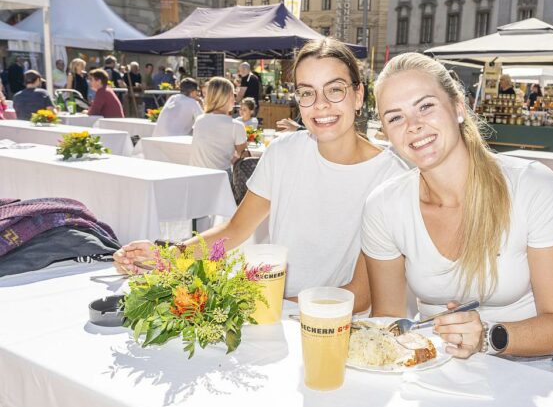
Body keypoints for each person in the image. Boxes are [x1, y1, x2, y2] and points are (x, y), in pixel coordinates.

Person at [113, 38, 408, 312]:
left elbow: (360, 294)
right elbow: (233, 231)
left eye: (335, 89)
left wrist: (258, 305)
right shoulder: (283, 152)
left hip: (335, 330)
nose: (320, 104)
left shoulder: (390, 178)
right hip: (274, 316)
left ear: (358, 96)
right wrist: (168, 259)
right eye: (307, 92)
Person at [363, 53, 553, 373]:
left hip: (527, 372)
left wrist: (489, 337)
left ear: (458, 107)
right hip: (432, 369)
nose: (413, 126)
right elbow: (390, 322)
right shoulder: (383, 206)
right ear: (386, 133)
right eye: (395, 118)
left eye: (425, 106)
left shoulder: (531, 186)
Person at [189, 77, 248, 171]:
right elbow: (246, 160)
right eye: (234, 94)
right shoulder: (236, 126)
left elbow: (213, 153)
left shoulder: (199, 120)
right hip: (221, 180)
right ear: (228, 96)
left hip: (196, 177)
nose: (235, 99)